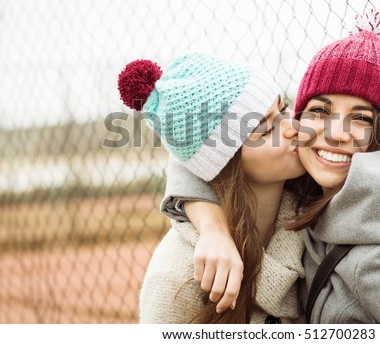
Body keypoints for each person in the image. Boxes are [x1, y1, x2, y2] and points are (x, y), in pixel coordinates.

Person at [161, 10, 380, 323]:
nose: (335, 134)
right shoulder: (316, 188)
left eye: (361, 118)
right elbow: (202, 151)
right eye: (320, 112)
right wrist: (213, 228)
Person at [117, 52, 306, 323]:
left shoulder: (315, 220)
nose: (293, 127)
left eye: (283, 107)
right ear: (224, 163)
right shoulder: (174, 281)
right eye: (265, 130)